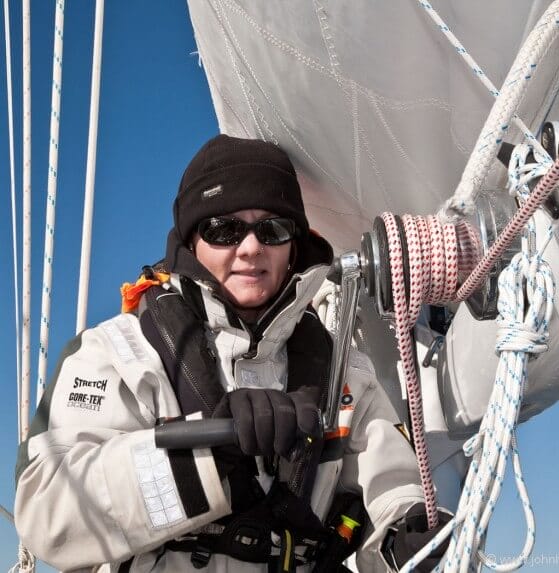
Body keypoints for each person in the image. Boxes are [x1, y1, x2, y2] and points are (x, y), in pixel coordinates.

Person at [14, 135, 450, 572]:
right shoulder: (122, 354)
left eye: (273, 229)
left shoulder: (344, 372)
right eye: (223, 229)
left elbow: (392, 492)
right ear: (191, 243)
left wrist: (403, 545)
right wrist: (210, 451)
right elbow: (49, 510)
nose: (250, 248)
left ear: (294, 244)